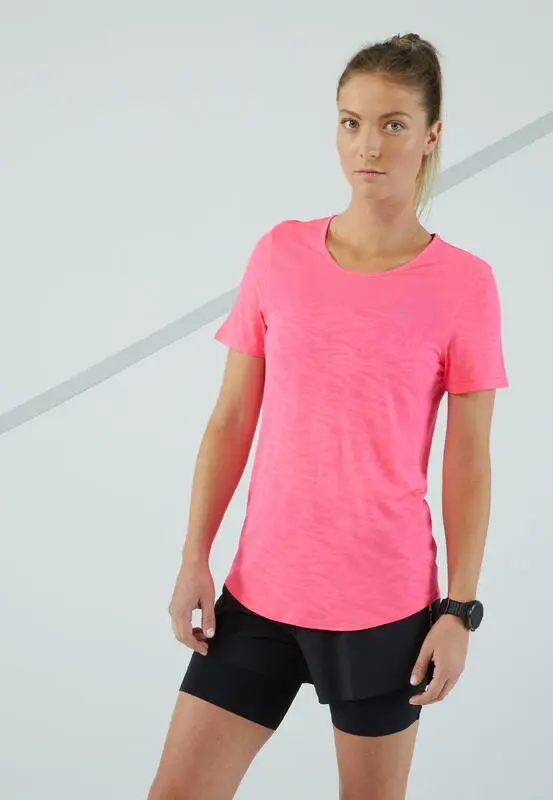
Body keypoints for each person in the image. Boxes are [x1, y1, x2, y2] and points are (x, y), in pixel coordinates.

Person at [147, 32, 509, 800]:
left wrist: (459, 610)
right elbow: (231, 418)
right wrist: (194, 556)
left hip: (386, 608)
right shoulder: (279, 253)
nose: (368, 146)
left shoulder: (465, 284)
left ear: (431, 134)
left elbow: (468, 458)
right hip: (259, 595)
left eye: (393, 124)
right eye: (351, 122)